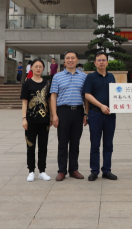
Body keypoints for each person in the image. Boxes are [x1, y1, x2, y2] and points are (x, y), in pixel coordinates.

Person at [50, 50, 87, 181]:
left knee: (75, 142)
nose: (70, 60)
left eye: (73, 58)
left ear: (77, 60)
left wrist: (85, 113)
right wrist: (54, 115)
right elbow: (53, 96)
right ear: (64, 61)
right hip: (63, 111)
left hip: (78, 111)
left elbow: (86, 96)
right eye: (68, 58)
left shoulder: (83, 76)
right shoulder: (57, 76)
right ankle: (62, 170)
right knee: (62, 142)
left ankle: (73, 169)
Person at [83, 51, 118, 181]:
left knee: (108, 144)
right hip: (95, 114)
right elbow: (87, 95)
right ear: (95, 63)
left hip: (110, 115)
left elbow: (116, 94)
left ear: (107, 62)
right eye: (99, 60)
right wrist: (100, 106)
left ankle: (107, 171)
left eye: (104, 60)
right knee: (95, 144)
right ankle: (94, 171)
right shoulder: (91, 77)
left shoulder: (111, 76)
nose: (101, 62)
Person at [20, 59, 52, 182]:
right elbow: (25, 102)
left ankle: (42, 171)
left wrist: (52, 116)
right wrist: (24, 118)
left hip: (44, 121)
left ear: (43, 68)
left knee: (43, 146)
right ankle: (31, 171)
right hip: (30, 121)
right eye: (36, 66)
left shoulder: (47, 83)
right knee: (30, 146)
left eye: (40, 66)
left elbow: (49, 101)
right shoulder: (26, 84)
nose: (38, 68)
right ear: (31, 68)